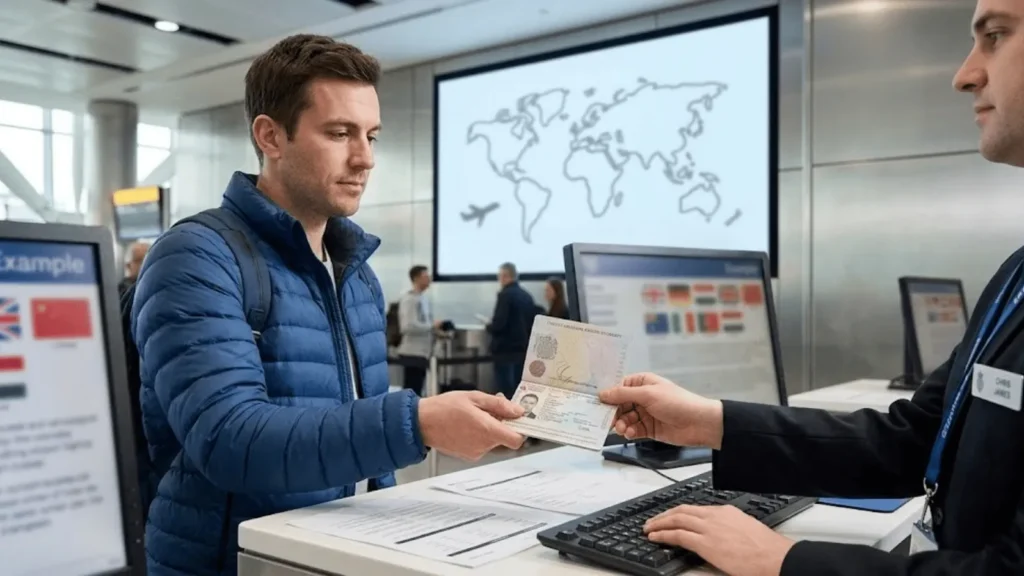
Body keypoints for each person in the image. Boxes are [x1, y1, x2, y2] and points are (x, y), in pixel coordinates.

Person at [598, 3, 1024, 572]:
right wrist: (708, 421)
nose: (964, 74)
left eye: (996, 36)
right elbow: (915, 437)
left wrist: (787, 561)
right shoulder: (1016, 274)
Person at [131, 35, 525, 576]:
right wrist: (419, 422)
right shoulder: (197, 257)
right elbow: (228, 440)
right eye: (339, 133)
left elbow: (361, 448)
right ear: (270, 136)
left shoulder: (354, 271)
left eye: (371, 135)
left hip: (335, 555)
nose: (364, 158)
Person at [486, 262, 537, 399]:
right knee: (519, 392)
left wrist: (488, 326)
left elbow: (499, 324)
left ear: (504, 276)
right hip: (523, 350)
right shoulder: (527, 296)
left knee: (505, 393)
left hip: (505, 351)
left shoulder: (505, 295)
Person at [397, 264, 441, 396]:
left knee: (418, 388)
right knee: (411, 388)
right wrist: (432, 326)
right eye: (425, 276)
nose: (429, 279)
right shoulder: (409, 299)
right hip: (412, 352)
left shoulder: (424, 299)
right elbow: (407, 326)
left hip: (423, 352)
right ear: (416, 278)